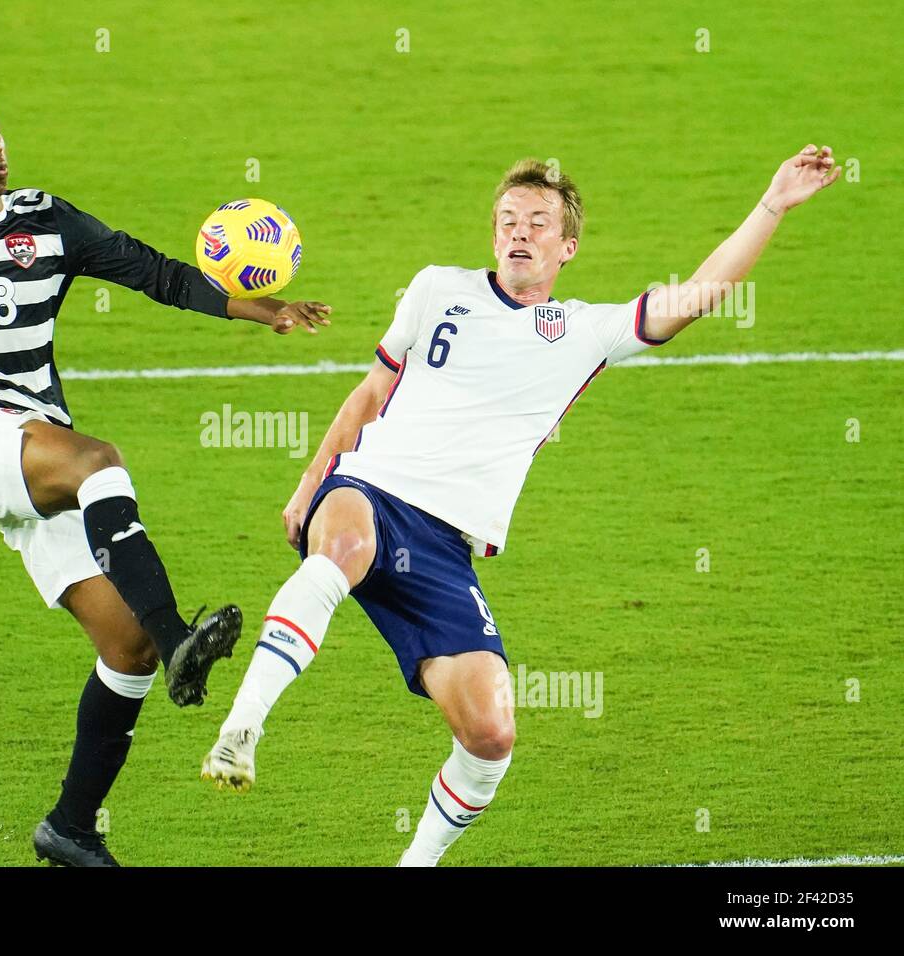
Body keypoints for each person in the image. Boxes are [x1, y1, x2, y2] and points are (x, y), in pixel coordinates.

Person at [202, 146, 840, 866]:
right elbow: (370, 393)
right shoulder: (436, 286)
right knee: (341, 552)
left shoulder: (581, 332)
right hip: (370, 489)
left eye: (538, 222)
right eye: (508, 219)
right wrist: (310, 481)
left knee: (491, 735)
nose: (519, 231)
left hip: (444, 545)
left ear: (567, 247)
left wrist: (772, 205)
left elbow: (693, 297)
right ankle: (243, 727)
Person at [0, 81, 332, 866]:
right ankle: (182, 637)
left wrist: (265, 309)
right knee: (98, 463)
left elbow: (157, 273)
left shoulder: (49, 221)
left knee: (126, 648)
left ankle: (70, 829)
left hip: (33, 445)